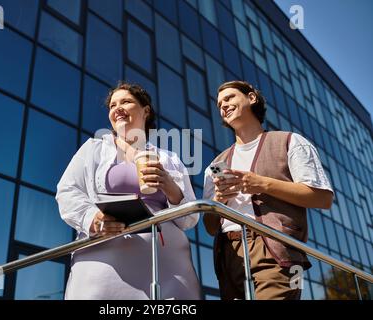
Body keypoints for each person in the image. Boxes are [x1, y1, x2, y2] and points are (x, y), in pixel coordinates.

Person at [56, 82, 201, 300]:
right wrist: (93, 219)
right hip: (103, 269)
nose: (117, 108)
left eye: (126, 101)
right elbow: (67, 191)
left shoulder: (169, 158)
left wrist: (171, 188)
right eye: (113, 105)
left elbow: (190, 219)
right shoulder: (93, 149)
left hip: (168, 269)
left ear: (145, 110)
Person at [203, 80, 334, 300]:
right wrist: (219, 200)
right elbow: (209, 227)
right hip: (229, 254)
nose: (223, 105)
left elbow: (323, 198)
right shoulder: (216, 164)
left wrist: (262, 184)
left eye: (230, 98)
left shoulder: (290, 142)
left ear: (251, 98)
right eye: (219, 104)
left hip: (279, 250)